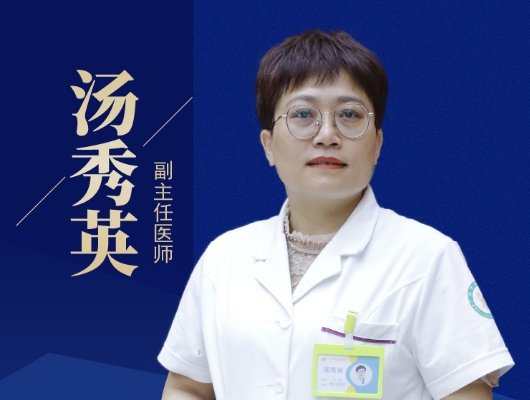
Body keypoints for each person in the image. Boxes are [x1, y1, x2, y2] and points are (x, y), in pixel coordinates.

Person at [158, 30, 514, 400]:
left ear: (377, 144)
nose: (327, 134)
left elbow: (466, 393)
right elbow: (187, 386)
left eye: (349, 114)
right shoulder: (224, 258)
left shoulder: (427, 258)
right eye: (302, 114)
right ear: (268, 145)